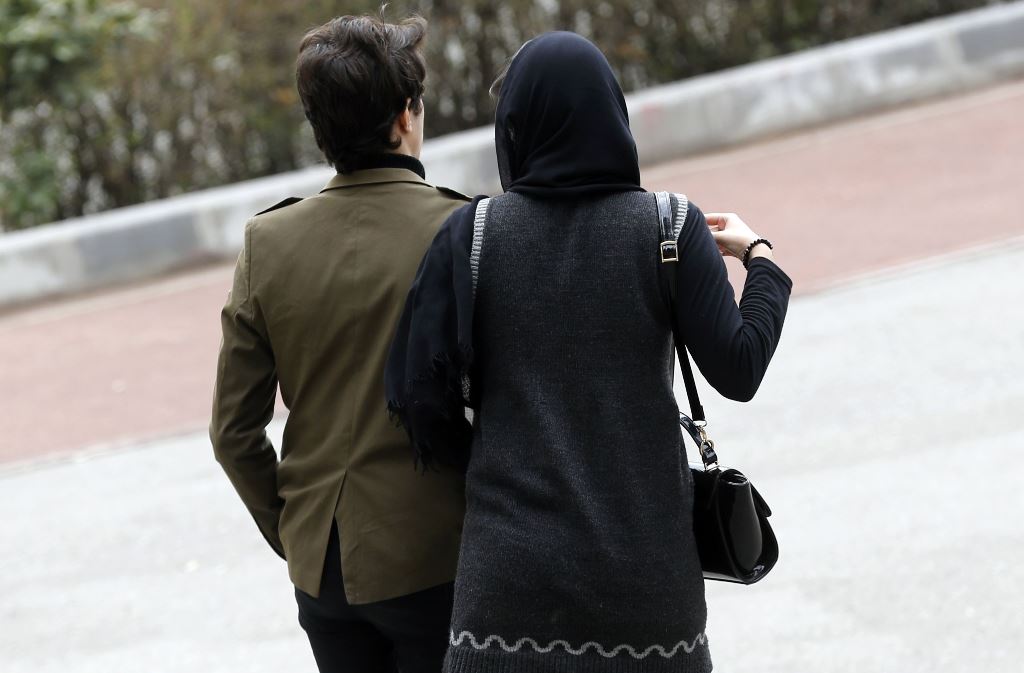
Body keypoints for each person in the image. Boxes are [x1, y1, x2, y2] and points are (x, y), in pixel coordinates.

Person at [385, 32, 793, 672]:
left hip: (508, 584)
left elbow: (419, 399)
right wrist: (761, 260)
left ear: (515, 127)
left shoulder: (473, 234)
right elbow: (739, 369)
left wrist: (498, 461)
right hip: (647, 579)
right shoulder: (668, 226)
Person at [210, 13, 469, 673]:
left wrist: (294, 531)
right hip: (441, 550)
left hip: (321, 564)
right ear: (406, 116)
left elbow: (233, 431)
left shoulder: (267, 241)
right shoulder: (462, 228)